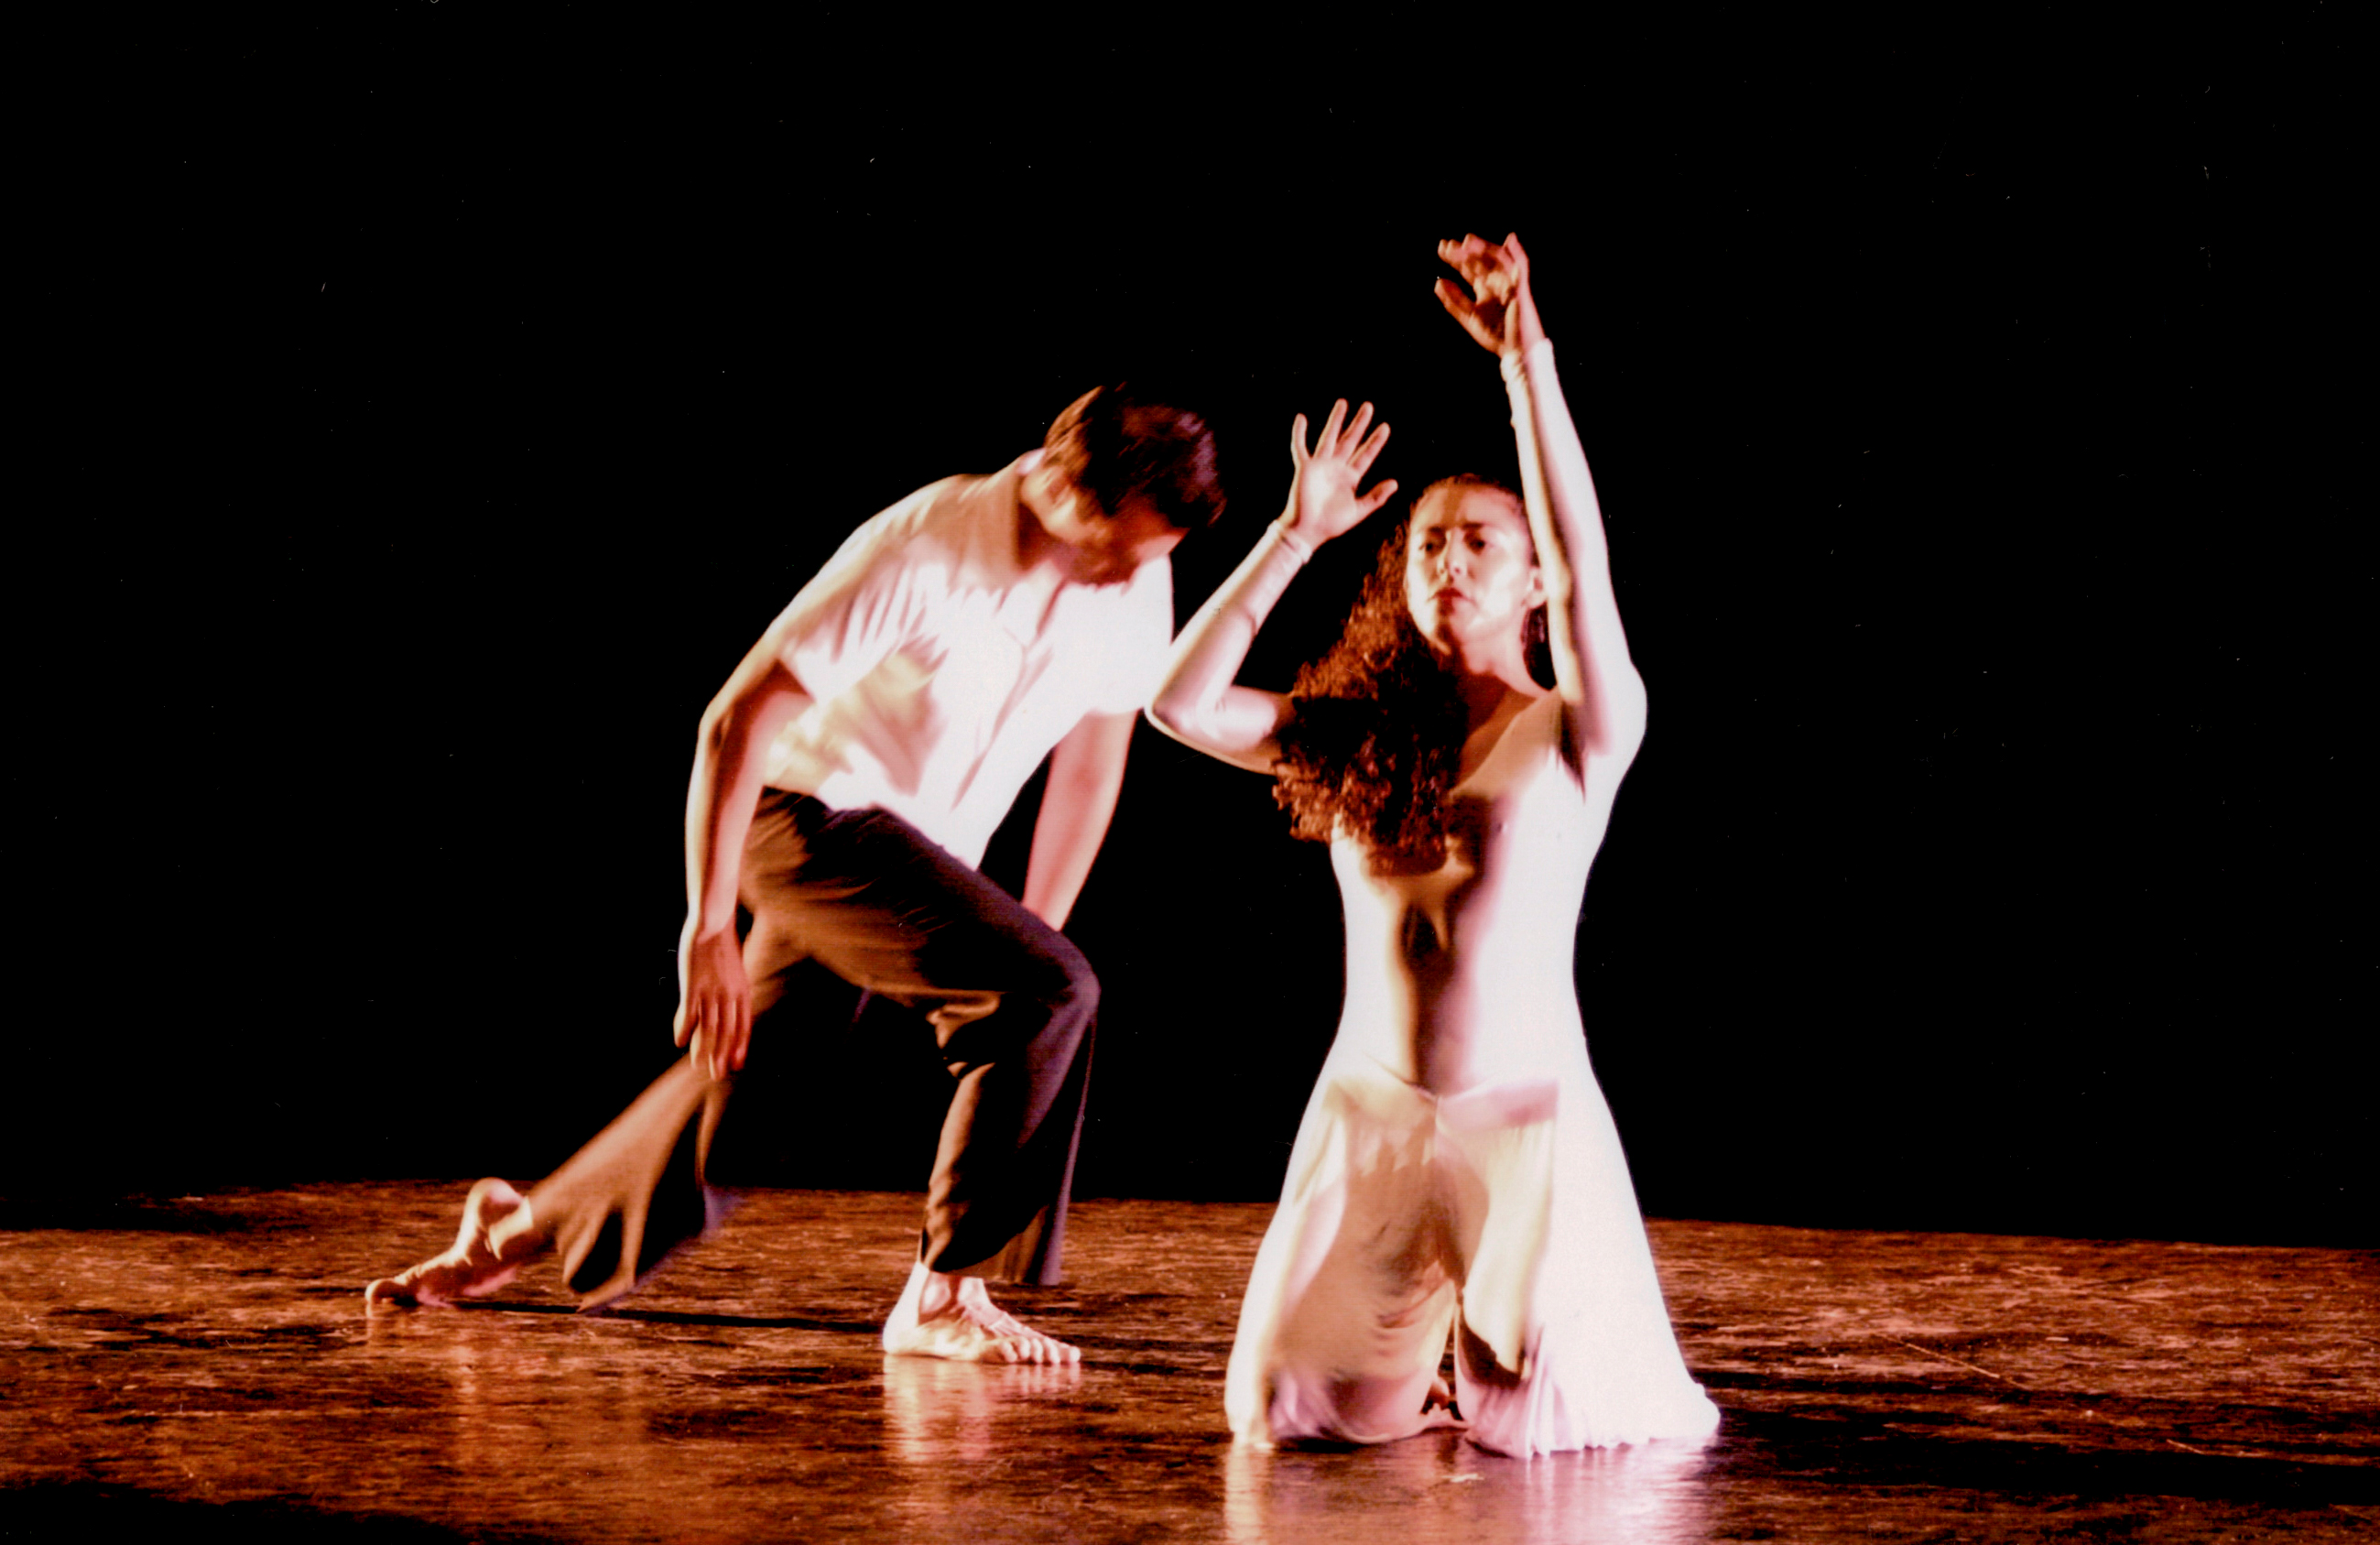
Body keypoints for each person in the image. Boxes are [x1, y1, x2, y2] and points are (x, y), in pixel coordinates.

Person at [364, 385, 1226, 1365]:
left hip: (913, 850)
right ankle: (943, 1295)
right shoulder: (925, 547)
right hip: (801, 817)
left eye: (1147, 558)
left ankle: (509, 1235)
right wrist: (707, 926)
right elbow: (736, 718)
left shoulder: (1137, 572)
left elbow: (1092, 764)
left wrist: (1028, 925)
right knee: (1050, 992)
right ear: (1064, 490)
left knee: (752, 1091)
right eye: (1116, 550)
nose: (1128, 577)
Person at [1147, 234, 1721, 1453]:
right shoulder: (1357, 737)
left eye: (1478, 542)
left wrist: (1525, 363)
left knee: (1538, 1416)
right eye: (1425, 542)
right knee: (1278, 1411)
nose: (1447, 558)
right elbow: (1178, 705)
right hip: (1371, 1107)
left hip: (1521, 1106)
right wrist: (1293, 535)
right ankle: (1422, 1361)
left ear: (1528, 584)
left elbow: (1584, 562)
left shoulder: (1577, 730)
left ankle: (1487, 1337)